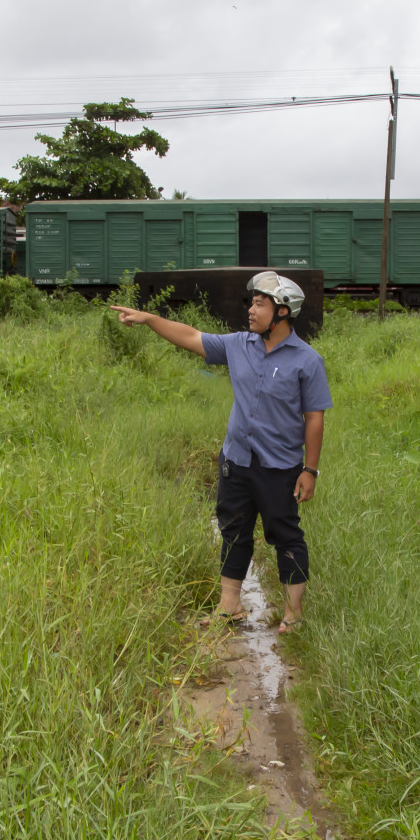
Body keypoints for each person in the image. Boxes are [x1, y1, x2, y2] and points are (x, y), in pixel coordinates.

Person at [111, 271, 331, 635]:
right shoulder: (239, 344)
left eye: (260, 304)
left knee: (286, 536)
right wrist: (150, 320)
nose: (251, 309)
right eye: (252, 302)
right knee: (233, 529)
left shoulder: (308, 361)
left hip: (279, 468)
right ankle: (230, 606)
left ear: (282, 312)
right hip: (236, 461)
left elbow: (314, 420)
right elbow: (191, 337)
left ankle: (294, 613)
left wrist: (310, 470)